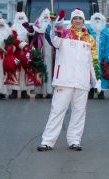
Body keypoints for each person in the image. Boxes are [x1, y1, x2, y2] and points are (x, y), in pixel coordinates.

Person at [37, 8, 100, 152]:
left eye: (80, 18)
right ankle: (47, 141)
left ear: (83, 21)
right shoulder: (63, 34)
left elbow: (94, 61)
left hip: (82, 82)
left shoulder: (89, 39)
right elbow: (51, 37)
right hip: (64, 80)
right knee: (57, 110)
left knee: (79, 112)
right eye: (75, 18)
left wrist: (97, 80)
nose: (77, 21)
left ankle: (75, 140)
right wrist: (53, 22)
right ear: (71, 21)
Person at [87, 13, 109, 99]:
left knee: (101, 73)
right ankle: (90, 90)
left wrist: (107, 57)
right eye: (95, 19)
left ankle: (100, 91)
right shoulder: (88, 31)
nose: (97, 21)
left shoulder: (106, 32)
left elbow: (108, 46)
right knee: (90, 73)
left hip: (101, 57)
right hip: (90, 57)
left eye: (99, 19)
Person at [9, 11, 34, 99]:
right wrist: (20, 44)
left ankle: (24, 91)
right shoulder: (13, 28)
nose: (20, 20)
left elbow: (32, 37)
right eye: (19, 18)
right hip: (16, 52)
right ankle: (14, 91)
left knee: (25, 72)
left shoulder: (28, 28)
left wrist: (31, 32)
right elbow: (12, 39)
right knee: (15, 71)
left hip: (26, 52)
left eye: (22, 18)